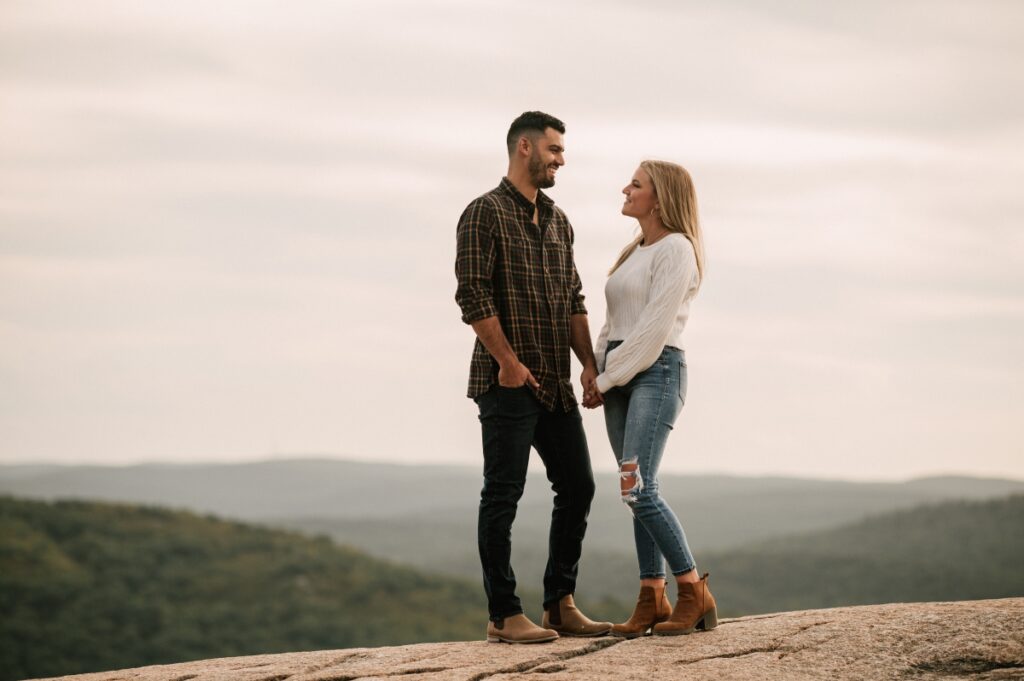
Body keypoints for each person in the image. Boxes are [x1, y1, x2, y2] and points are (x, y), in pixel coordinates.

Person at [455, 111, 612, 644]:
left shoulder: (560, 221)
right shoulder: (484, 213)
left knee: (579, 487)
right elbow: (472, 295)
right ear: (524, 147)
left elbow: (573, 299)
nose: (560, 161)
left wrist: (589, 365)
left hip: (556, 383)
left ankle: (559, 604)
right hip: (506, 383)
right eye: (554, 150)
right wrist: (507, 361)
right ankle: (503, 614)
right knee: (503, 495)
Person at [583, 160, 717, 637]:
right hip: (620, 372)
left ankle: (693, 591)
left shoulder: (678, 249)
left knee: (638, 487)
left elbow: (655, 330)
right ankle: (650, 597)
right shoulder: (633, 250)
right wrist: (596, 369)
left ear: (659, 198)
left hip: (656, 372)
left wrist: (607, 378)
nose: (625, 188)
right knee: (632, 492)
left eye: (635, 184)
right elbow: (613, 321)